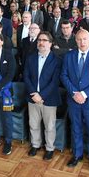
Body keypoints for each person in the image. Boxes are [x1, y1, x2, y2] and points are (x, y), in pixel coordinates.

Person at [61, 29, 89, 172]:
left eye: (84, 39)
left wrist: (84, 94)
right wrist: (74, 93)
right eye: (79, 39)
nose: (82, 42)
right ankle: (77, 154)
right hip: (74, 100)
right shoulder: (69, 56)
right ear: (76, 40)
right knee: (76, 128)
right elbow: (63, 75)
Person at [23, 31, 62, 160]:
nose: (41, 43)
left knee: (49, 126)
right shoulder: (31, 57)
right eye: (39, 40)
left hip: (49, 98)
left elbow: (55, 81)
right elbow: (26, 77)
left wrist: (42, 95)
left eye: (45, 40)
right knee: (33, 124)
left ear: (50, 44)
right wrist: (34, 93)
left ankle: (50, 148)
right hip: (32, 97)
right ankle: (35, 145)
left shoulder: (56, 60)